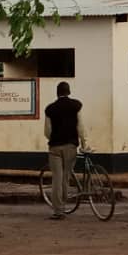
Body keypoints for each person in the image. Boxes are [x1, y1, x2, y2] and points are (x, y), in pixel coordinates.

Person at [44, 81, 86, 220]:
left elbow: (47, 131)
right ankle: (63, 203)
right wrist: (84, 143)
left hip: (55, 147)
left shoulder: (50, 109)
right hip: (70, 147)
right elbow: (80, 127)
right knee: (65, 177)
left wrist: (55, 138)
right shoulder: (76, 105)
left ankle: (58, 211)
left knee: (57, 178)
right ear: (69, 92)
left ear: (57, 93)